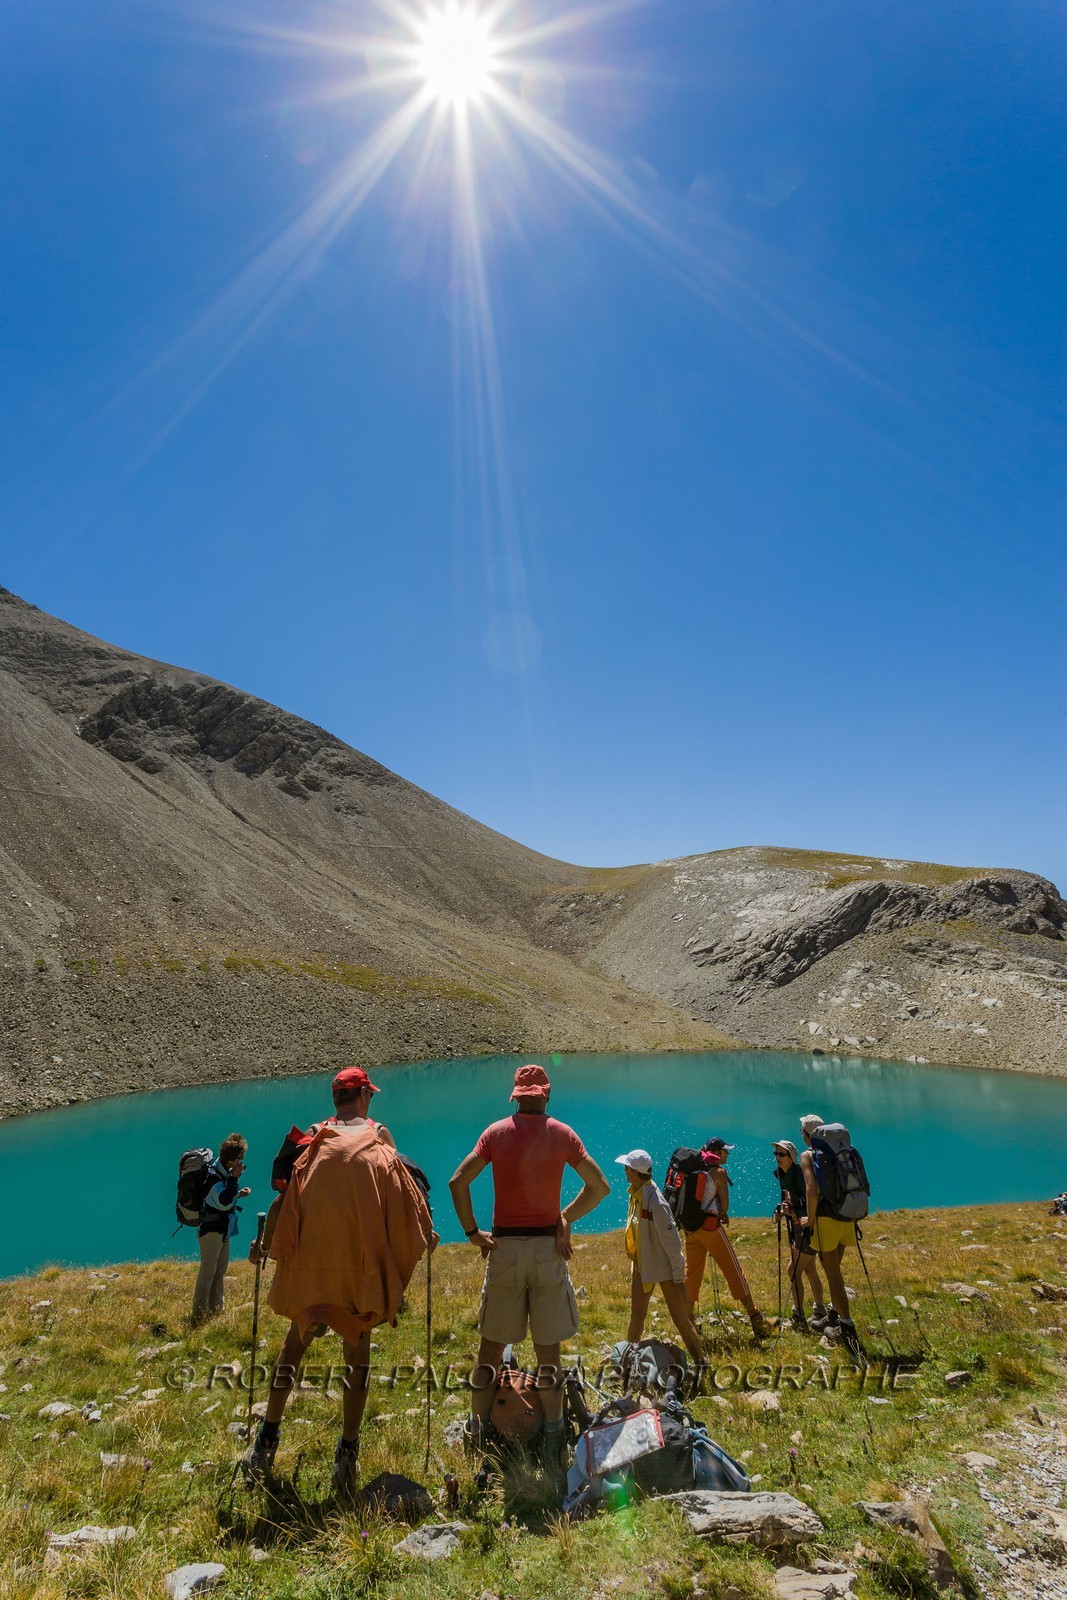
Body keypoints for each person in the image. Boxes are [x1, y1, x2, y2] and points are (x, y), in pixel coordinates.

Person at [243, 1066, 433, 1495]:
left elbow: (282, 1198)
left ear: (335, 1099)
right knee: (357, 1359)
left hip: (311, 1264)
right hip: (358, 1266)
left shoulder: (313, 1137)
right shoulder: (380, 1136)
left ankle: (266, 1439)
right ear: (364, 1095)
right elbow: (401, 1198)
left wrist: (267, 1246)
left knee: (294, 1347)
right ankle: (347, 1454)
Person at [448, 1063, 610, 1476]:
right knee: (548, 1354)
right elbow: (600, 1187)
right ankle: (554, 1435)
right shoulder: (562, 1134)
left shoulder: (496, 1133)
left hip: (503, 1248)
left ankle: (479, 1434)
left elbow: (457, 1182)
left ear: (516, 1096)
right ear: (546, 1095)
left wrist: (471, 1233)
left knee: (489, 1350)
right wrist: (565, 1217)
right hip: (545, 1249)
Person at [617, 1148, 704, 1368]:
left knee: (681, 1321)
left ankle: (702, 1363)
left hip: (665, 1270)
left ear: (636, 1173)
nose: (625, 1173)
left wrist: (678, 1278)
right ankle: (629, 1365)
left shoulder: (656, 1201)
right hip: (643, 1266)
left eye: (627, 1169)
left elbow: (673, 1243)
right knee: (636, 1317)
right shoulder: (636, 1194)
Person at [683, 1137, 771, 1339]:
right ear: (717, 1152)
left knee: (692, 1272)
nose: (728, 1154)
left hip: (690, 1227)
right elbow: (725, 1205)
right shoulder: (719, 1173)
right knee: (733, 1270)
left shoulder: (693, 1169)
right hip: (710, 1227)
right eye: (725, 1151)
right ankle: (755, 1317)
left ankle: (689, 1322)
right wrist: (722, 1212)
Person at [797, 1113, 865, 1361]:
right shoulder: (842, 1151)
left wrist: (810, 1219)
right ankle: (835, 1315)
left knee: (833, 1273)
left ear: (808, 1134)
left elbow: (811, 1191)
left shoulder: (808, 1155)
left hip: (825, 1219)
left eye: (802, 1131)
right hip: (846, 1215)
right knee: (834, 1265)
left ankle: (846, 1328)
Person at [191, 1133, 251, 1325]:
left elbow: (223, 1200)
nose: (242, 1163)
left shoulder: (223, 1171)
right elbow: (223, 1202)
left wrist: (238, 1194)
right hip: (211, 1231)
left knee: (220, 1270)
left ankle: (217, 1311)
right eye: (239, 1159)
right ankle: (199, 1316)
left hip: (222, 1227)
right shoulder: (214, 1177)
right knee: (208, 1272)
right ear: (230, 1159)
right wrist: (234, 1180)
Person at [771, 1138, 826, 1332]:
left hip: (808, 1228)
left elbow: (812, 1202)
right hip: (800, 1229)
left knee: (792, 1270)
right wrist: (784, 1210)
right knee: (810, 1269)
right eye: (776, 1154)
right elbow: (792, 1201)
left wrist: (795, 1214)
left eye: (781, 1154)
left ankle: (799, 1317)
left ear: (791, 1157)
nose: (777, 1157)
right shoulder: (783, 1175)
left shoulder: (799, 1175)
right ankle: (820, 1310)